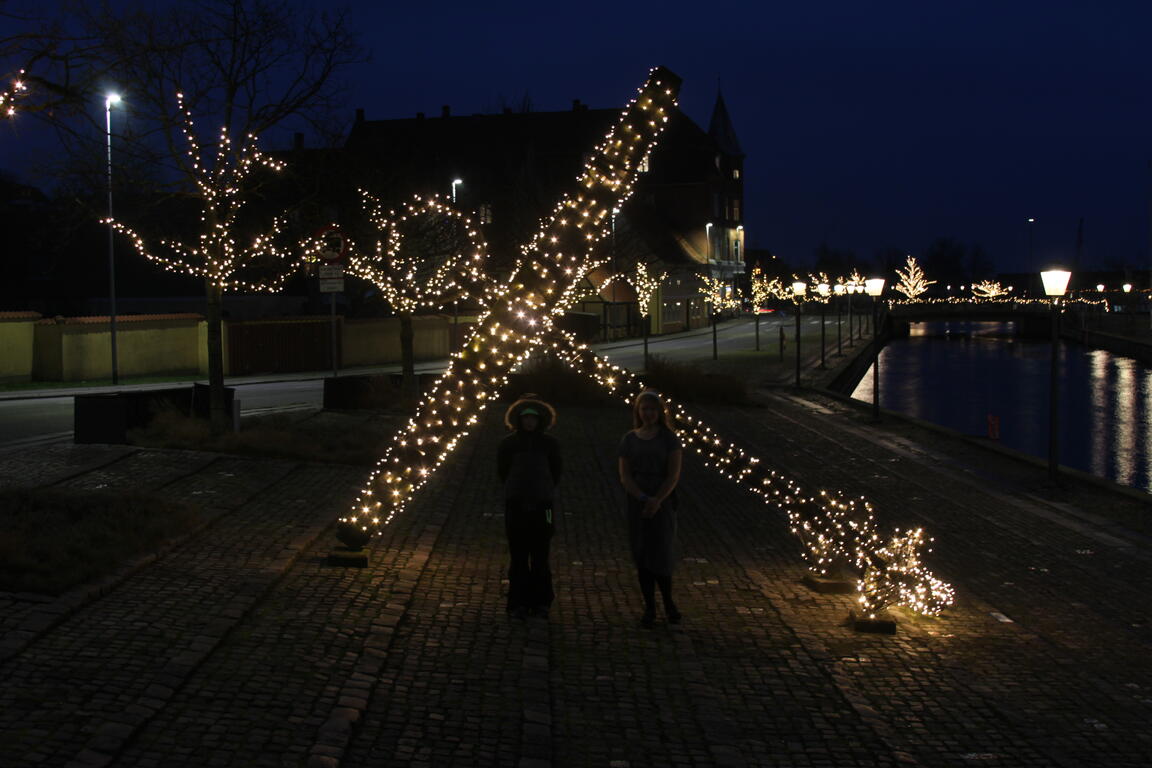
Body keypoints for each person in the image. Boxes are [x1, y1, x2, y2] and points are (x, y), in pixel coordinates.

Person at [618, 390, 683, 627]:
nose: (648, 414)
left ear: (660, 412)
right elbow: (625, 475)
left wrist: (657, 500)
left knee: (661, 551)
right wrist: (642, 497)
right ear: (638, 411)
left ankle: (668, 601)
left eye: (652, 409)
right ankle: (649, 606)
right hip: (637, 499)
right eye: (644, 409)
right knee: (642, 552)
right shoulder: (630, 439)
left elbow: (673, 474)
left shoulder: (669, 439)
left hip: (662, 499)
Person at [497, 394, 562, 620]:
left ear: (540, 420)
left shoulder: (550, 445)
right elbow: (503, 472)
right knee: (518, 556)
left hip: (543, 507)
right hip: (516, 505)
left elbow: (556, 472)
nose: (529, 422)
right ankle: (518, 602)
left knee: (541, 555)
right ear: (518, 419)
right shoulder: (508, 444)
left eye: (533, 418)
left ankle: (542, 601)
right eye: (525, 418)